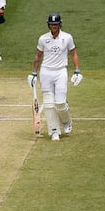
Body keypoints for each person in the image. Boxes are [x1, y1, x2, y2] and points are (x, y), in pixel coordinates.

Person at [29, 13, 83, 141]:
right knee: (48, 104)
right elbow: (38, 56)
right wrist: (33, 73)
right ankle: (54, 131)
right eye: (52, 24)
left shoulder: (67, 37)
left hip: (60, 72)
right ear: (49, 25)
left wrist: (77, 71)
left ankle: (66, 122)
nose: (54, 26)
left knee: (60, 103)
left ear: (60, 24)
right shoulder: (43, 39)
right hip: (46, 72)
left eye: (56, 24)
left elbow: (73, 53)